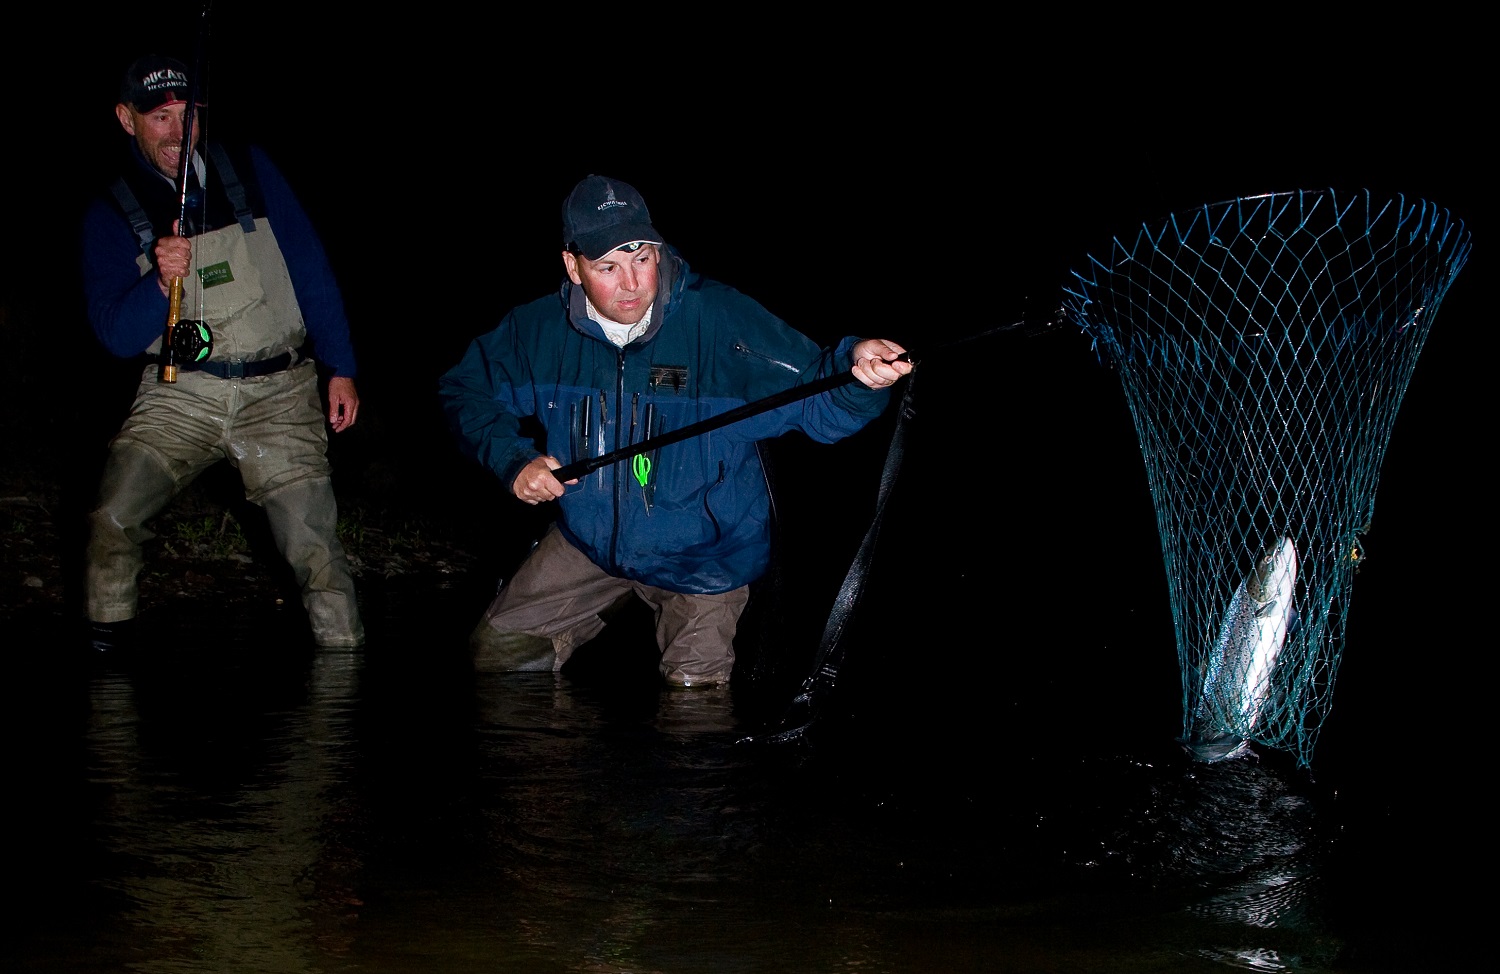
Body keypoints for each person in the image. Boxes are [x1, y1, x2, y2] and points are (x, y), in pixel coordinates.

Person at [438, 174, 911, 687]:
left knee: (693, 708)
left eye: (641, 258)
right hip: (590, 542)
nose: (631, 283)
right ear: (573, 267)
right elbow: (465, 390)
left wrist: (859, 372)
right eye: (608, 267)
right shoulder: (537, 331)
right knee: (498, 658)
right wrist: (513, 461)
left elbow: (821, 399)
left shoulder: (724, 321)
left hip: (705, 558)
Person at [79, 54, 364, 651]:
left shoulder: (250, 169)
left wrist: (342, 367)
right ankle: (108, 673)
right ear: (126, 120)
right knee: (111, 518)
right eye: (159, 116)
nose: (177, 132)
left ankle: (343, 686)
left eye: (188, 114)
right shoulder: (110, 212)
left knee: (316, 552)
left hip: (280, 393)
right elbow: (114, 335)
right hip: (179, 394)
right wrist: (159, 283)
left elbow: (312, 268)